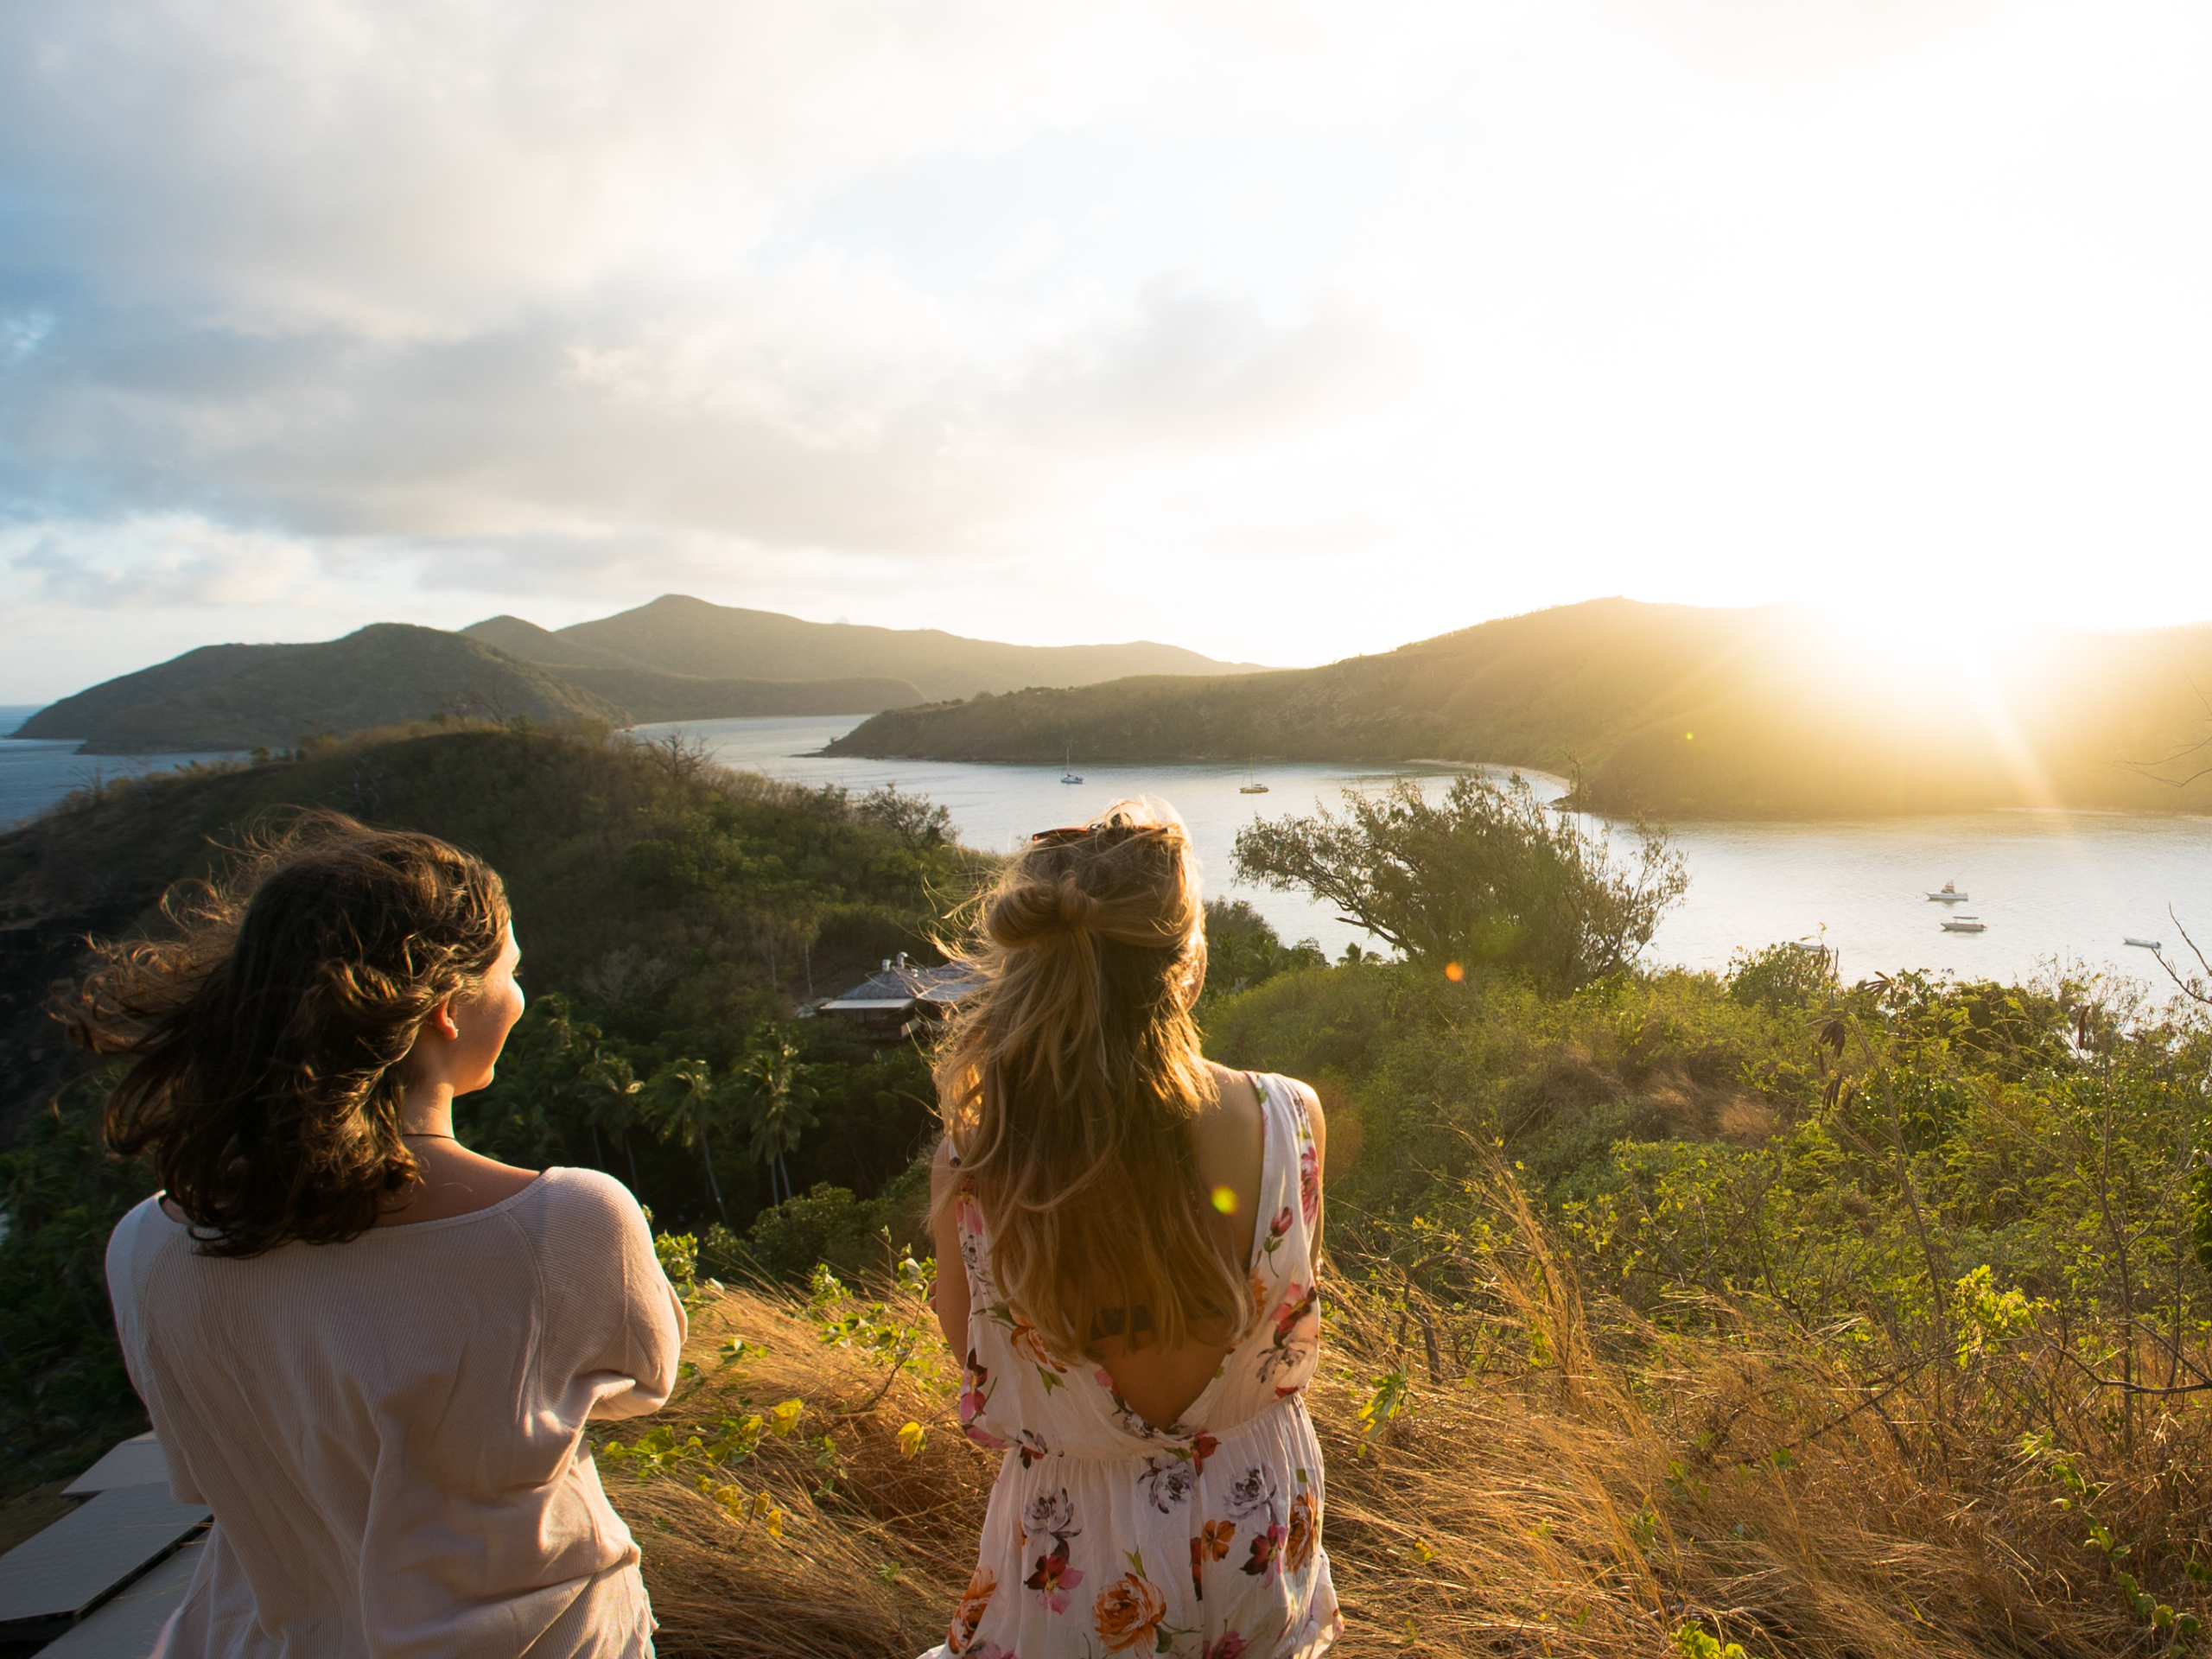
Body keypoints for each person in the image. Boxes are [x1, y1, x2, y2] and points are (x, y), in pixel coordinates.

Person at [68, 812, 684, 1659]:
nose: (521, 997)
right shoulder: (559, 1227)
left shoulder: (145, 1248)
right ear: (443, 1010)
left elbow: (199, 1467)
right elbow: (638, 1385)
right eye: (513, 971)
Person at [924, 803, 1340, 1659]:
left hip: (1075, 1558)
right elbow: (1289, 1309)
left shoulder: (976, 1164)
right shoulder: (1289, 1119)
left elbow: (974, 1361)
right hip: (1256, 1534)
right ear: (1184, 962)